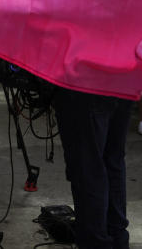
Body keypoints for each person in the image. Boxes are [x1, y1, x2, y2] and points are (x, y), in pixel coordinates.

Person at [53, 87, 132, 249]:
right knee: (112, 163)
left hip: (86, 86)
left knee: (88, 169)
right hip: (122, 78)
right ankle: (116, 238)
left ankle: (98, 242)